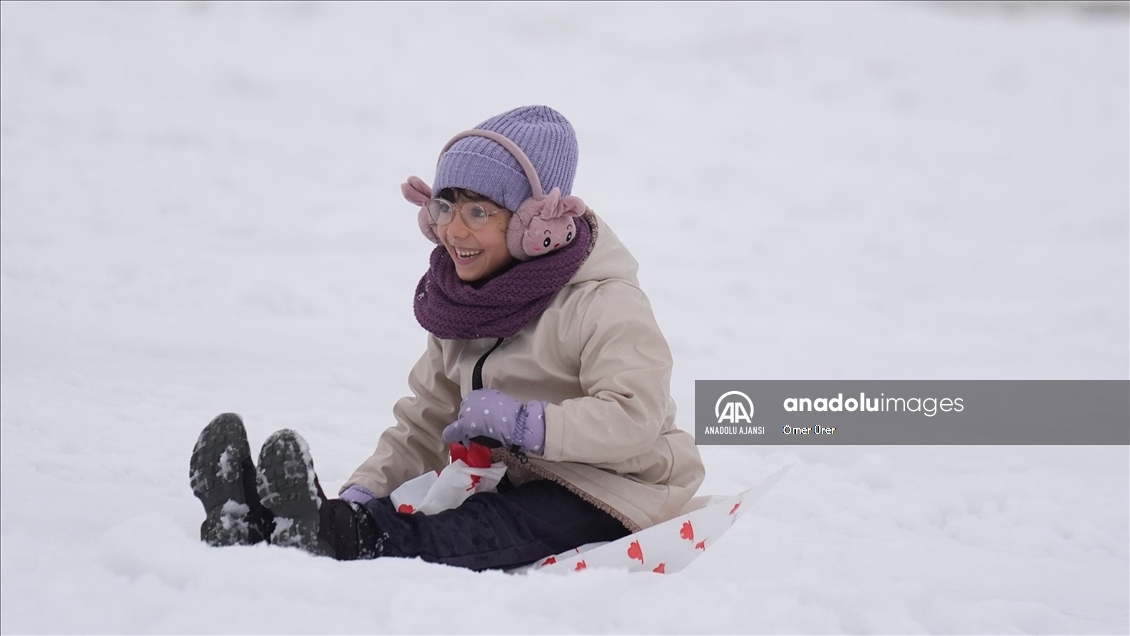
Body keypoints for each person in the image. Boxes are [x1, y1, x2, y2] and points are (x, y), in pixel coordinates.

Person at [189, 105, 705, 570]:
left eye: (479, 211)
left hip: (616, 488)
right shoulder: (464, 303)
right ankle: (270, 520)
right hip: (510, 474)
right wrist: (364, 490)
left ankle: (346, 538)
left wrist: (529, 424)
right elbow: (426, 419)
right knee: (437, 501)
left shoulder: (603, 302)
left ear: (535, 225)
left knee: (491, 524)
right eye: (444, 207)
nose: (454, 231)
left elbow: (635, 417)